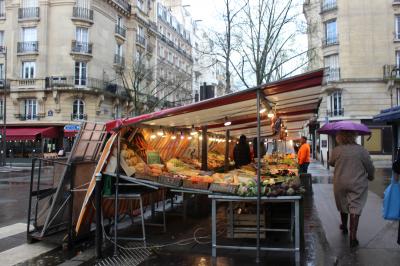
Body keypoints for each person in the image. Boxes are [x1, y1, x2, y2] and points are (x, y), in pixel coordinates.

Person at [329, 131, 375, 248]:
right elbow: (369, 166)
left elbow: (331, 163)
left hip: (340, 182)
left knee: (343, 203)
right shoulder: (361, 150)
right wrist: (371, 176)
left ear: (339, 137)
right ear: (354, 136)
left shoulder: (337, 150)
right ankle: (353, 237)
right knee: (355, 206)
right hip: (357, 183)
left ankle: (344, 226)